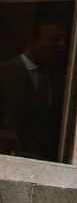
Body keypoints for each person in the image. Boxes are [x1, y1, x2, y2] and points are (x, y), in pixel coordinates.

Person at [0, 16, 70, 160]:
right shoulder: (4, 73)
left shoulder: (61, 82)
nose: (62, 44)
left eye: (64, 38)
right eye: (53, 38)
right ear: (31, 41)